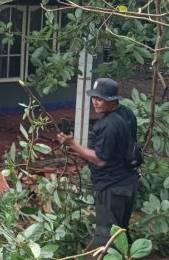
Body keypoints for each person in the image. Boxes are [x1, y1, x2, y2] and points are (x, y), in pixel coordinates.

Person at [56, 78, 140, 252]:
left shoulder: (108, 125)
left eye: (100, 99)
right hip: (128, 184)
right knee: (121, 233)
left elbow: (100, 160)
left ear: (112, 100)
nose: (95, 102)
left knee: (107, 240)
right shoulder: (127, 114)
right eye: (94, 97)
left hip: (112, 188)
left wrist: (72, 144)